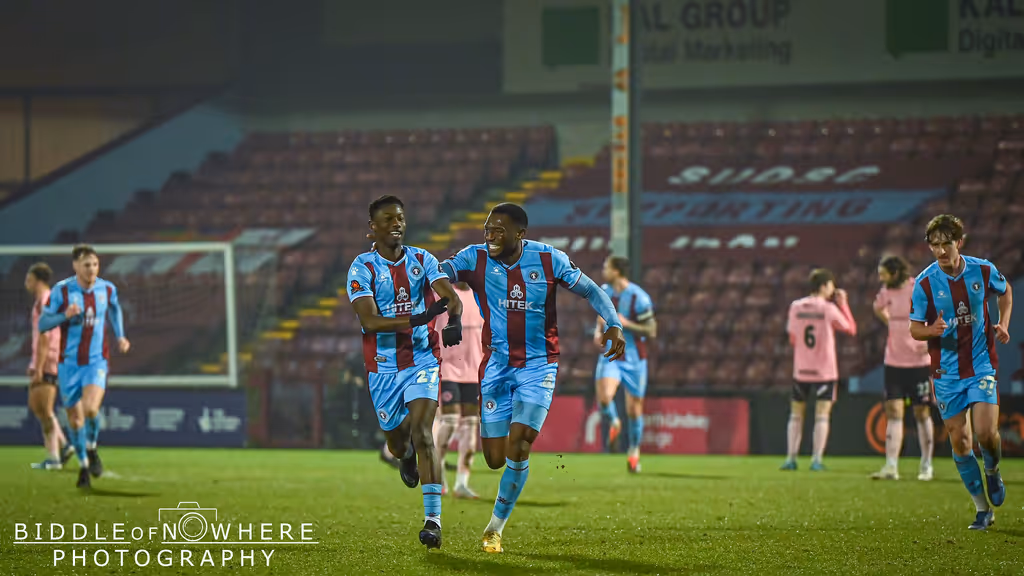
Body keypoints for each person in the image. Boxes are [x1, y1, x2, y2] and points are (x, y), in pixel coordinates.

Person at [441, 202, 626, 553]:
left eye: (498, 230)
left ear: (520, 234)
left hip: (539, 365)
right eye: (487, 229)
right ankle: (507, 476)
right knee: (495, 458)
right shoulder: (474, 257)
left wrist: (614, 323)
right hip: (495, 365)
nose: (490, 236)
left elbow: (592, 290)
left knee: (520, 441)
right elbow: (440, 271)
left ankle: (495, 528)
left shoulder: (548, 259)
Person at [346, 195, 464, 549]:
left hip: (423, 360)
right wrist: (417, 318)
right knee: (399, 442)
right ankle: (406, 456)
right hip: (382, 368)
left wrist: (454, 319)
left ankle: (433, 521)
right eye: (388, 219)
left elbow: (449, 296)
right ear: (373, 227)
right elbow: (368, 319)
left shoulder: (422, 259)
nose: (396, 223)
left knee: (423, 431)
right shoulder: (361, 267)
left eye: (400, 218)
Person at [909, 214, 1012, 530]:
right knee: (961, 441)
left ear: (959, 242)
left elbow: (1005, 291)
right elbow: (914, 329)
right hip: (946, 373)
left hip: (980, 363)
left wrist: (1003, 324)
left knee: (985, 433)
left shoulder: (982, 269)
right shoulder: (924, 283)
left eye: (946, 243)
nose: (941, 251)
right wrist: (932, 330)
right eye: (934, 245)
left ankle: (992, 470)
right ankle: (982, 510)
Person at [38, 245, 130, 489]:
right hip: (68, 365)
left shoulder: (107, 288)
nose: (92, 269)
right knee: (75, 420)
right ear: (76, 266)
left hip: (96, 361)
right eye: (87, 264)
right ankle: (83, 467)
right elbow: (43, 323)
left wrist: (120, 335)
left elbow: (115, 308)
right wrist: (64, 316)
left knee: (90, 409)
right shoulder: (62, 291)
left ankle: (92, 449)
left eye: (95, 264)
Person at [781, 268, 857, 472]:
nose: (833, 289)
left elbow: (792, 337)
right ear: (824, 286)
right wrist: (844, 305)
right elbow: (851, 329)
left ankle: (791, 458)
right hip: (824, 370)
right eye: (831, 285)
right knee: (822, 415)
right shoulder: (828, 309)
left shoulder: (796, 307)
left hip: (801, 369)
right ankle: (816, 459)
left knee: (796, 414)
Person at [870, 255, 935, 481]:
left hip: (918, 362)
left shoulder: (917, 287)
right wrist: (890, 321)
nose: (881, 277)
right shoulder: (886, 291)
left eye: (884, 273)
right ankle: (891, 466)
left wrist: (928, 341)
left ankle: (926, 465)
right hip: (894, 361)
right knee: (894, 412)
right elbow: (877, 307)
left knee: (921, 411)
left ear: (895, 273)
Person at [592, 256, 656, 473]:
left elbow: (651, 330)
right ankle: (615, 423)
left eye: (606, 267)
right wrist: (597, 330)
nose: (603, 271)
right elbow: (601, 316)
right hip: (611, 353)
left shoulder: (639, 297)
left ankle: (634, 452)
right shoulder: (604, 291)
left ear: (617, 271)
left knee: (635, 408)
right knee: (604, 397)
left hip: (634, 357)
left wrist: (627, 324)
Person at [433, 281, 485, 499]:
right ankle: (438, 476)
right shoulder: (442, 296)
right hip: (449, 369)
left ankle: (462, 483)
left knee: (471, 426)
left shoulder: (481, 296)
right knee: (451, 421)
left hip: (474, 371)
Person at [24, 262, 74, 470]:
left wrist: (39, 365)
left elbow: (45, 337)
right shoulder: (44, 301)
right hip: (47, 358)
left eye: (28, 278)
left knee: (44, 408)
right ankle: (63, 446)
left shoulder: (45, 301)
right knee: (39, 407)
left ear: (36, 279)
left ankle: (55, 456)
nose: (26, 283)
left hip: (48, 360)